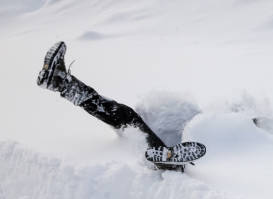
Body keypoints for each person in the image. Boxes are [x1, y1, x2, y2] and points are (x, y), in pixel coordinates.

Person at [36, 41, 190, 171]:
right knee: (124, 115)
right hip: (165, 157)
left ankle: (61, 82)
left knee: (125, 116)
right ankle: (61, 82)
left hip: (168, 161)